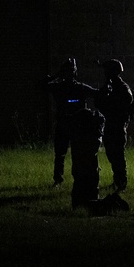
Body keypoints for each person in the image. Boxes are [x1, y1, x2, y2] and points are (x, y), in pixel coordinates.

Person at [44, 58, 102, 207]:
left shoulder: (80, 88)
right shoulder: (59, 87)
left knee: (80, 154)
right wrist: (56, 75)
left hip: (78, 127)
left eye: (72, 70)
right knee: (60, 153)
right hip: (64, 124)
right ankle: (58, 179)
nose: (70, 73)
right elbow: (40, 86)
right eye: (68, 71)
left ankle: (80, 179)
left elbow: (97, 94)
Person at [94, 59, 134, 213]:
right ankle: (117, 180)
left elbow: (130, 100)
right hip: (111, 125)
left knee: (117, 154)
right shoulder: (111, 85)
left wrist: (123, 114)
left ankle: (121, 182)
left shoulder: (121, 87)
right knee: (111, 153)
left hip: (117, 126)